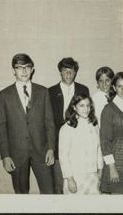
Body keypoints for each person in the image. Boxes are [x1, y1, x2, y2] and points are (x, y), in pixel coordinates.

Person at [0, 53, 55, 194]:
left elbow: (50, 123)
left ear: (32, 69)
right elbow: (1, 127)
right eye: (19, 67)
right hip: (16, 154)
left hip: (42, 152)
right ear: (13, 70)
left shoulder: (43, 92)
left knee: (49, 192)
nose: (24, 71)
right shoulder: (4, 95)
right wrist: (5, 155)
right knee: (21, 193)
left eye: (27, 67)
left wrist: (51, 148)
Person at [48, 57, 89, 194]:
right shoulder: (50, 92)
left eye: (71, 71)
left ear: (75, 73)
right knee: (60, 184)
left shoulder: (83, 89)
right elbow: (48, 121)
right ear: (60, 72)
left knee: (80, 186)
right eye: (65, 71)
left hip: (79, 145)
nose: (68, 74)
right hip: (58, 144)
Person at [59, 93, 103, 194]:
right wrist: (70, 179)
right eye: (81, 105)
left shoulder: (94, 125)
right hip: (75, 176)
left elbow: (98, 149)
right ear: (74, 107)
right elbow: (63, 156)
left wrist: (100, 171)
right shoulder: (67, 128)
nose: (86, 109)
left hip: (92, 175)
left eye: (88, 105)